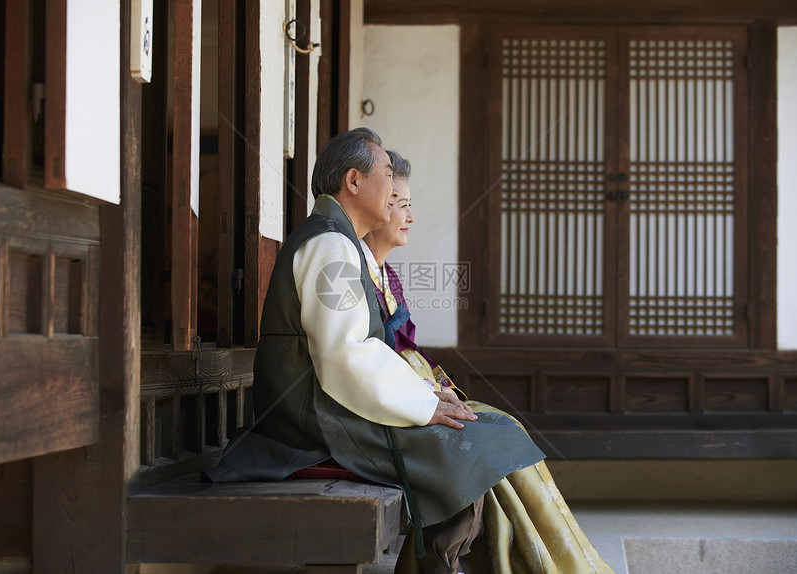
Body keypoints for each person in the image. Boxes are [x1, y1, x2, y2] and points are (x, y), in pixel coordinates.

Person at [203, 127, 544, 574]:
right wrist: (424, 405)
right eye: (386, 175)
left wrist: (426, 398)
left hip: (326, 412)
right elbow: (347, 356)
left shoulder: (340, 243)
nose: (394, 193)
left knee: (480, 434)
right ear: (353, 181)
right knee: (474, 443)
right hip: (313, 426)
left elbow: (366, 350)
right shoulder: (329, 244)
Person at [362, 151, 616, 574]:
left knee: (503, 430)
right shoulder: (355, 271)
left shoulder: (386, 275)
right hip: (388, 407)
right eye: (402, 204)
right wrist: (426, 392)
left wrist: (436, 386)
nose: (409, 216)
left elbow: (407, 350)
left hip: (416, 394)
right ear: (379, 205)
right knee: (484, 439)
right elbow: (373, 359)